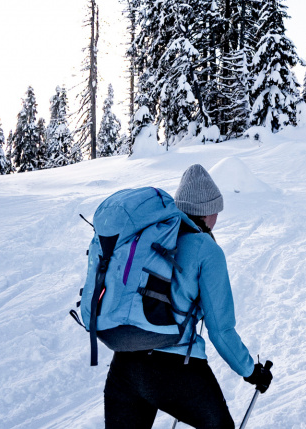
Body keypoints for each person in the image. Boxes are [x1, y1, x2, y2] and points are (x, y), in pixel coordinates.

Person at [104, 165, 273, 429]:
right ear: (207, 212)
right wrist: (251, 371)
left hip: (124, 363)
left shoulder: (149, 238)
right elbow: (221, 330)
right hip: (173, 369)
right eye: (217, 210)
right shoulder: (206, 249)